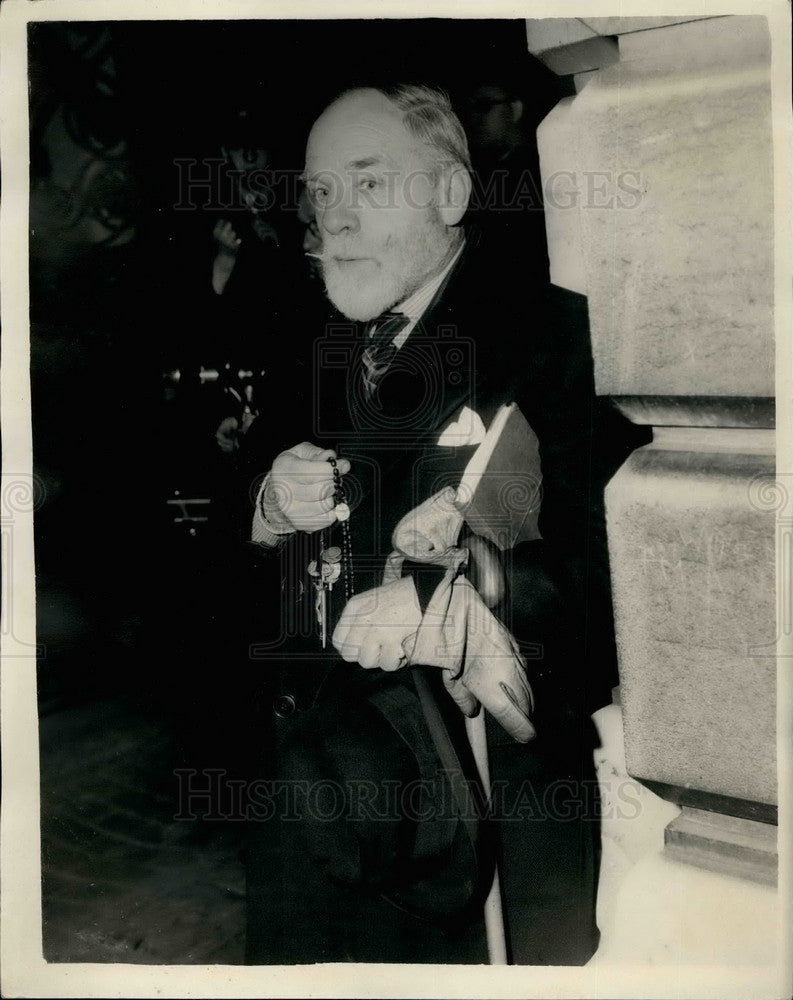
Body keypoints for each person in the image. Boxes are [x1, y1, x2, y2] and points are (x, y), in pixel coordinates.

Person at [240, 83, 643, 965]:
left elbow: (621, 576)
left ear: (452, 193)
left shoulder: (552, 339)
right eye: (320, 191)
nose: (334, 217)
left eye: (369, 183)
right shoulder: (310, 346)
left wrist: (466, 601)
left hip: (476, 823)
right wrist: (265, 508)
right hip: (324, 800)